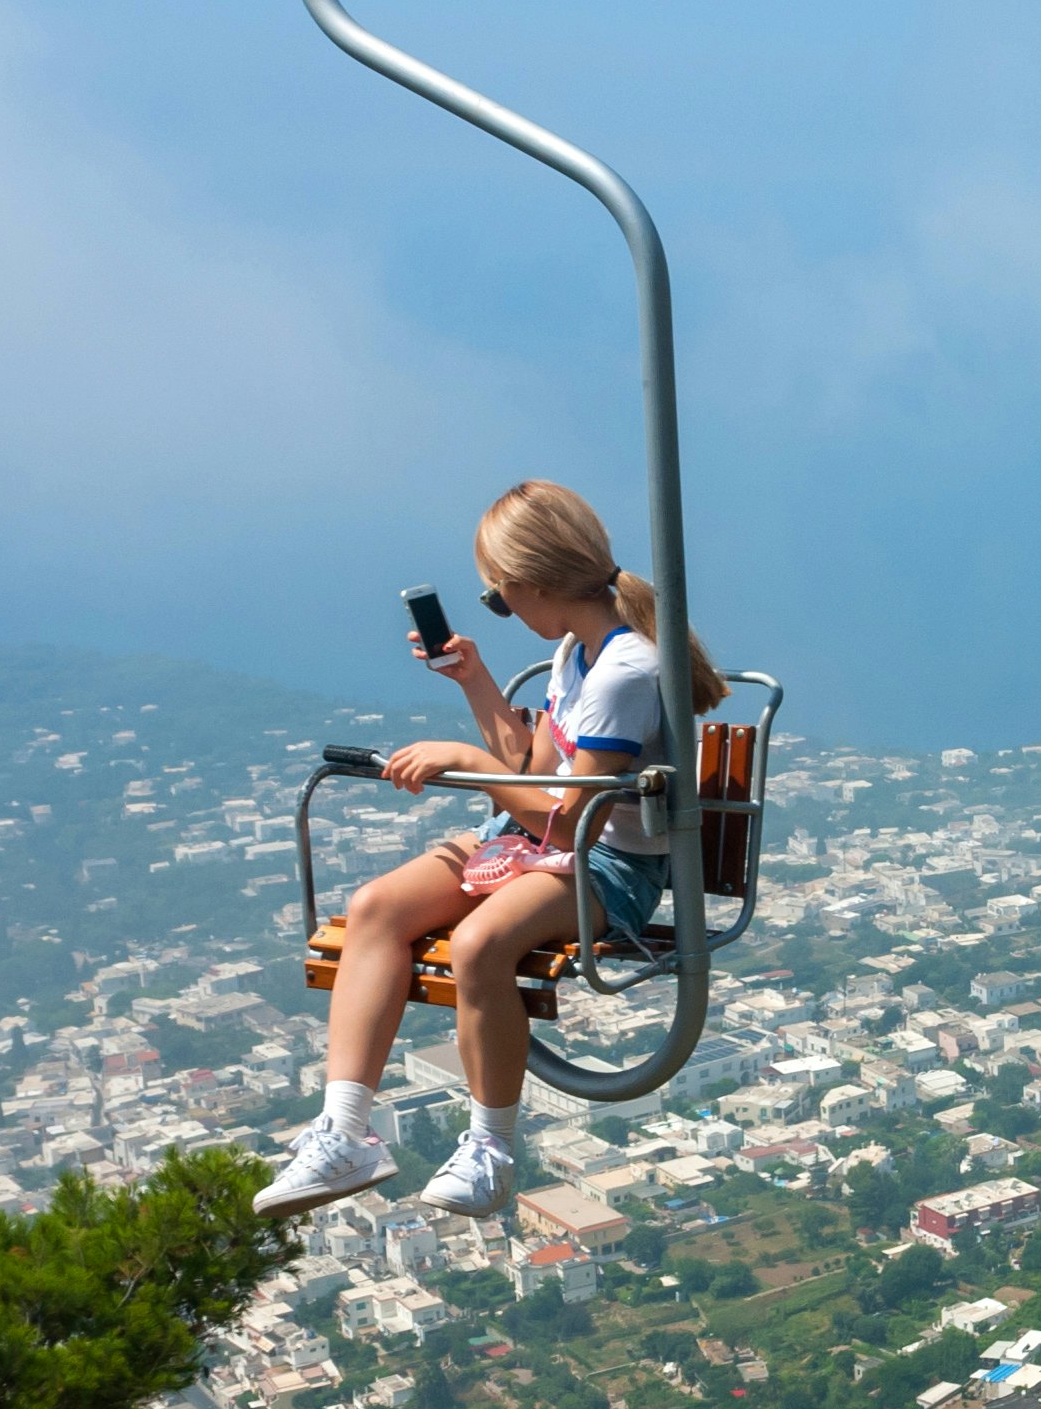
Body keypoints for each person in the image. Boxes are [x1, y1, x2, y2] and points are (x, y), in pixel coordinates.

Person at [258, 480, 727, 1221]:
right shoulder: (578, 652)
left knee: (480, 944)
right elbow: (533, 769)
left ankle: (490, 1150)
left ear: (532, 587)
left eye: (497, 598)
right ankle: (345, 1132)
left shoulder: (623, 673)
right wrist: (474, 681)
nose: (502, 610)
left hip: (610, 868)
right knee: (375, 908)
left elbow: (571, 826)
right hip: (537, 843)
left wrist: (462, 764)